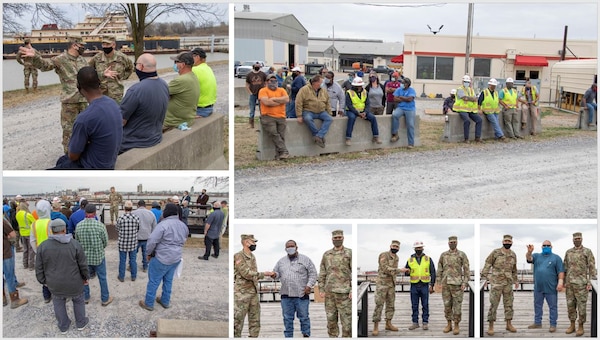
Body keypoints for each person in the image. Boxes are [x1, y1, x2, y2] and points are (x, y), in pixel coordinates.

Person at [20, 36, 107, 153]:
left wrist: (102, 74)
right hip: (69, 102)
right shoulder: (60, 59)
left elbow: (88, 77)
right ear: (75, 45)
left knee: (87, 129)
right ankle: (69, 156)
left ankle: (85, 154)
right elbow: (45, 65)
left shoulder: (82, 60)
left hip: (84, 100)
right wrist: (35, 57)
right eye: (82, 45)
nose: (84, 48)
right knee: (69, 131)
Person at [52, 66, 123, 169]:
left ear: (78, 86)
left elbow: (73, 156)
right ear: (99, 82)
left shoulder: (84, 118)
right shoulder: (113, 103)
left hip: (94, 167)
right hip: (109, 161)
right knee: (61, 160)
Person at [35, 219, 89, 334]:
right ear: (65, 229)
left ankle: (63, 326)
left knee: (58, 302)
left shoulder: (43, 246)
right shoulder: (75, 244)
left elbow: (39, 267)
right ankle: (80, 323)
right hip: (74, 282)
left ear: (51, 231)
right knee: (78, 300)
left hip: (54, 283)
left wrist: (43, 281)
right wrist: (85, 278)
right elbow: (83, 265)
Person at [139, 203, 188, 311]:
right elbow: (184, 240)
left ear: (166, 212)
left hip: (161, 257)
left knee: (154, 281)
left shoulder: (163, 225)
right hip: (176, 258)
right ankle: (165, 301)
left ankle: (149, 303)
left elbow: (152, 241)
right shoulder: (183, 225)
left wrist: (148, 253)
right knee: (168, 280)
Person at [119, 53, 169, 153]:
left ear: (141, 67)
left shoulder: (135, 91)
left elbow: (120, 122)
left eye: (135, 64)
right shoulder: (164, 85)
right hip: (155, 137)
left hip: (133, 142)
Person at [273, 240, 318, 338]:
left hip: (301, 294)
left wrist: (309, 285)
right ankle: (288, 336)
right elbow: (277, 273)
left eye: (292, 246)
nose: (290, 248)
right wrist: (273, 275)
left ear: (296, 247)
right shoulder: (281, 261)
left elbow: (313, 274)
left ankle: (306, 334)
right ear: (285, 249)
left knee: (304, 317)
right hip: (286, 295)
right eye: (288, 247)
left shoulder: (306, 259)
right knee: (287, 318)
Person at [233, 234, 274, 337]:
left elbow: (253, 274)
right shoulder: (238, 256)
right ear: (246, 242)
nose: (255, 244)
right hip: (242, 294)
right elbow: (246, 273)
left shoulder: (252, 256)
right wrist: (263, 274)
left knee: (255, 320)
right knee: (237, 321)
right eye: (253, 242)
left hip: (253, 293)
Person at [74, 204, 112, 306]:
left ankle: (86, 297)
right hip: (98, 257)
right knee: (102, 278)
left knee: (85, 278)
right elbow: (105, 242)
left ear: (85, 213)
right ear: (95, 213)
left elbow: (77, 242)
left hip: (84, 258)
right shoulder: (100, 225)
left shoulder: (79, 226)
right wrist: (100, 248)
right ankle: (105, 299)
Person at [481, 234, 518, 335]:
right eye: (505, 241)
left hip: (508, 284)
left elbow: (514, 269)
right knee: (493, 305)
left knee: (509, 304)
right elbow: (487, 264)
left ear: (511, 243)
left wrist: (516, 280)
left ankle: (508, 324)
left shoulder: (513, 254)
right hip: (496, 283)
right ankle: (491, 326)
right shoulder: (496, 252)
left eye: (509, 241)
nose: (507, 243)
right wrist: (484, 278)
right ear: (502, 242)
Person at [318, 229, 352, 337]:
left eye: (339, 238)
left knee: (347, 322)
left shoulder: (349, 253)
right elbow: (322, 272)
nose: (337, 240)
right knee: (331, 321)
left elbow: (353, 273)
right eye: (335, 238)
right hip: (330, 293)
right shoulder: (327, 254)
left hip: (344, 293)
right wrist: (321, 288)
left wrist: (352, 289)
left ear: (343, 238)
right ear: (332, 239)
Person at [525, 240, 564, 332]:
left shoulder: (556, 258)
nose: (546, 247)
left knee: (553, 307)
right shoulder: (537, 256)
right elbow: (529, 259)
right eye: (544, 245)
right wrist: (529, 252)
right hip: (538, 287)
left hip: (551, 288)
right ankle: (537, 322)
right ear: (542, 247)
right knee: (537, 305)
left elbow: (561, 271)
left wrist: (560, 282)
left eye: (548, 245)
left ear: (551, 247)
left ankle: (553, 324)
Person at [563, 232, 597, 336]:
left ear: (581, 239)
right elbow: (565, 267)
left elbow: (592, 267)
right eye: (575, 239)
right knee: (570, 306)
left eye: (578, 238)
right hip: (570, 284)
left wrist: (591, 281)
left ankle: (581, 326)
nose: (577, 240)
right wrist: (564, 282)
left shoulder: (587, 251)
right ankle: (572, 325)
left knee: (582, 307)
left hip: (582, 284)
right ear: (572, 240)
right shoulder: (568, 252)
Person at [437, 236, 470, 335]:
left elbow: (466, 269)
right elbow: (439, 269)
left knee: (457, 306)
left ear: (457, 243)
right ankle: (448, 324)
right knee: (447, 305)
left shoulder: (462, 254)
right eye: (451, 242)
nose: (452, 243)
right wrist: (438, 282)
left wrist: (464, 282)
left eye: (454, 242)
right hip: (446, 284)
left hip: (457, 285)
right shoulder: (443, 255)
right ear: (448, 243)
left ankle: (456, 325)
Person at [88, 36, 134, 103]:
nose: (105, 46)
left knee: (115, 112)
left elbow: (130, 68)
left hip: (116, 94)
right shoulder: (97, 58)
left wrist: (121, 76)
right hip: (100, 93)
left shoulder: (122, 57)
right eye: (103, 44)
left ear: (113, 45)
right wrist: (101, 74)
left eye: (108, 44)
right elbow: (88, 71)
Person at [403, 240, 436, 330]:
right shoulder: (410, 260)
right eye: (417, 248)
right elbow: (406, 272)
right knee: (414, 305)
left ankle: (425, 322)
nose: (419, 249)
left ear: (422, 248)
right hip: (414, 286)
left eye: (420, 248)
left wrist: (432, 285)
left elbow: (433, 272)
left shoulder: (428, 259)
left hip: (425, 285)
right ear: (414, 249)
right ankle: (415, 322)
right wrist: (407, 272)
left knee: (425, 305)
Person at [372, 240, 401, 336]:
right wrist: (399, 270)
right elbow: (385, 268)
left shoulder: (396, 258)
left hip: (391, 285)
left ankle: (388, 323)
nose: (395, 248)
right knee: (379, 305)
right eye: (394, 246)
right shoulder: (384, 255)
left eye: (397, 247)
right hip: (382, 285)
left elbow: (393, 272)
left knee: (390, 305)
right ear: (390, 246)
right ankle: (375, 326)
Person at [295, 75, 333, 148]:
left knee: (329, 119)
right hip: (309, 110)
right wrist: (299, 115)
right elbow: (298, 102)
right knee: (308, 119)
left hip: (321, 111)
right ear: (315, 82)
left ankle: (319, 136)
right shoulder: (304, 90)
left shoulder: (323, 90)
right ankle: (316, 135)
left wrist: (329, 112)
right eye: (321, 82)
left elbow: (328, 102)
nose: (322, 84)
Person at [164, 52, 200, 129]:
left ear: (182, 65)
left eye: (175, 62)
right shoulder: (193, 76)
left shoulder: (180, 80)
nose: (174, 65)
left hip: (174, 121)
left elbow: (161, 94)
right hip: (188, 118)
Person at [258, 73, 290, 160]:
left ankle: (279, 156)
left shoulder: (282, 90)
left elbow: (286, 99)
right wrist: (280, 101)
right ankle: (284, 151)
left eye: (275, 81)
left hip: (281, 116)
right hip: (268, 117)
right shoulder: (263, 91)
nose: (273, 82)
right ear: (266, 82)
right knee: (274, 134)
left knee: (281, 136)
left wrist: (274, 99)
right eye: (271, 81)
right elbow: (267, 102)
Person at [344, 77, 382, 146]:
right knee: (351, 118)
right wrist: (358, 113)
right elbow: (349, 105)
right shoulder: (349, 93)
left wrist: (365, 112)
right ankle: (348, 138)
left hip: (363, 111)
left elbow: (367, 104)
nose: (358, 87)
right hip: (352, 111)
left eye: (359, 86)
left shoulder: (365, 92)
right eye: (357, 86)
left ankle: (376, 136)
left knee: (373, 118)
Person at [29, 200, 53, 302]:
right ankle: (57, 292)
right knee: (55, 271)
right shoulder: (50, 223)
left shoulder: (34, 224)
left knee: (44, 273)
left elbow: (32, 240)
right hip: (52, 252)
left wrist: (37, 251)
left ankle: (46, 295)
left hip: (40, 251)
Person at [3, 217, 28, 309]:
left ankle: (3, 298)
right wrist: (7, 237)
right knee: (9, 274)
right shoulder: (2, 221)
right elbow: (13, 234)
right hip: (5, 252)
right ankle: (15, 300)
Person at [454, 75, 483, 143]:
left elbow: (475, 99)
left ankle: (477, 137)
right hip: (462, 109)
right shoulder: (459, 89)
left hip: (471, 110)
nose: (466, 83)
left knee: (479, 120)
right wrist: (471, 99)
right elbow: (464, 98)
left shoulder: (471, 90)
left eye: (467, 82)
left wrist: (471, 99)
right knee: (467, 121)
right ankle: (466, 139)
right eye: (465, 82)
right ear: (462, 82)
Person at [116, 201, 140, 282]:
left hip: (122, 243)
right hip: (133, 243)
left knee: (122, 261)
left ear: (124, 208)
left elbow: (117, 229)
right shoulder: (136, 218)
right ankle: (133, 276)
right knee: (133, 260)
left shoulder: (120, 218)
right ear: (132, 208)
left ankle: (121, 276)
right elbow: (138, 229)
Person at [390, 77, 417, 148]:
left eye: (404, 83)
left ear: (408, 84)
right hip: (401, 107)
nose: (402, 84)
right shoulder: (399, 89)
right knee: (395, 115)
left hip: (410, 109)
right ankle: (395, 134)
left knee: (410, 124)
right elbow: (395, 99)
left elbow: (410, 99)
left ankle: (411, 143)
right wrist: (405, 98)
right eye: (402, 83)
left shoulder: (412, 90)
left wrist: (401, 97)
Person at [190, 48, 217, 118]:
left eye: (192, 56)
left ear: (197, 57)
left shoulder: (195, 70)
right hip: (209, 107)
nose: (190, 59)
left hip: (200, 109)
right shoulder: (208, 68)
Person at [132, 200, 157, 273]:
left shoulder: (133, 213)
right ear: (145, 205)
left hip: (136, 237)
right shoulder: (151, 214)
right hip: (147, 237)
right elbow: (154, 227)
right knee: (146, 253)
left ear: (138, 205)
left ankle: (132, 266)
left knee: (133, 254)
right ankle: (145, 267)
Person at [246, 62, 267, 128]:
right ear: (253, 66)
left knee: (262, 109)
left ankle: (263, 123)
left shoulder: (263, 74)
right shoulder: (249, 75)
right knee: (252, 109)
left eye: (258, 66)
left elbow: (266, 83)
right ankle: (251, 123)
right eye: (256, 66)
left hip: (261, 94)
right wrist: (250, 92)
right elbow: (247, 85)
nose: (257, 67)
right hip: (253, 94)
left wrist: (265, 91)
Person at [16, 202, 35, 270]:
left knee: (25, 249)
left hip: (22, 233)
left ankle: (25, 264)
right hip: (29, 233)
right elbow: (34, 222)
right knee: (31, 249)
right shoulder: (27, 214)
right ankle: (31, 265)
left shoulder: (18, 214)